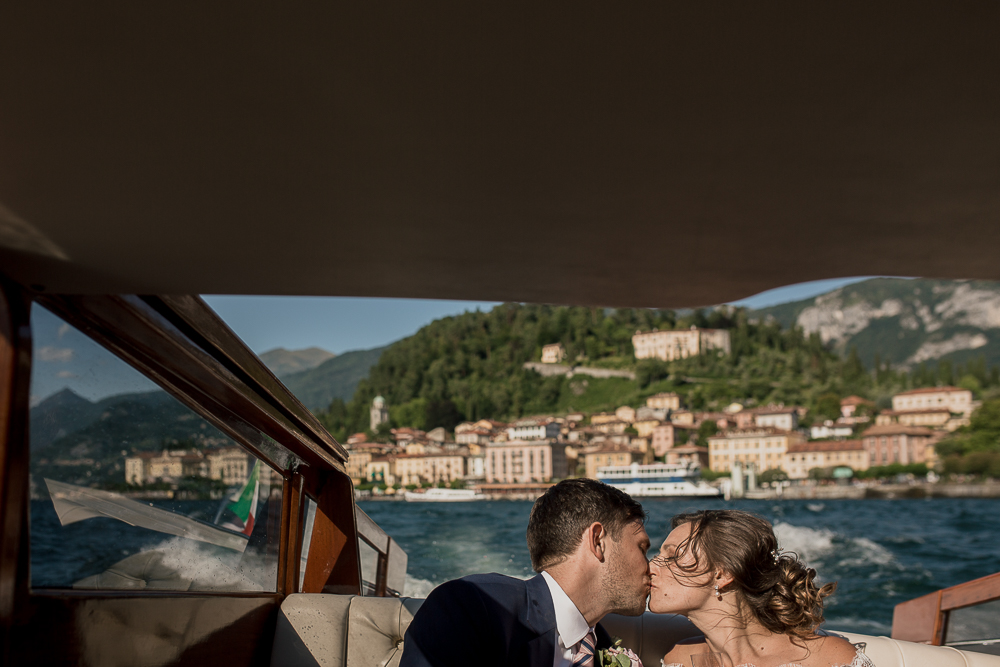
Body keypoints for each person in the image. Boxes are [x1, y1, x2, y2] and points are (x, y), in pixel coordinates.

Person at [401, 478, 651, 667]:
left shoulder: (604, 647)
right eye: (641, 548)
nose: (649, 566)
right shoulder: (470, 608)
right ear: (598, 541)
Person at [650, 510, 873, 667]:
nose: (651, 566)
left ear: (723, 573)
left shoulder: (829, 659)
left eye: (671, 556)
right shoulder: (677, 657)